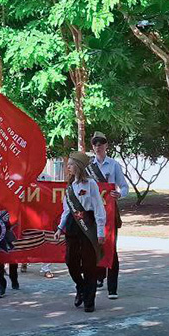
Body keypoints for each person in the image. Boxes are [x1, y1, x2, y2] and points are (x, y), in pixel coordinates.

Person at [55, 151, 107, 313]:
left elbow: (99, 207)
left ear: (78, 166)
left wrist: (100, 231)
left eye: (70, 164)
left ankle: (89, 300)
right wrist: (59, 228)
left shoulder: (90, 184)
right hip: (72, 226)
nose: (68, 167)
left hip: (88, 225)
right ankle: (81, 286)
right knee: (71, 261)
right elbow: (66, 210)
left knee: (89, 264)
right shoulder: (70, 186)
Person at [88, 132, 128, 299]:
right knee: (94, 246)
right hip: (92, 212)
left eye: (101, 143)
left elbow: (124, 187)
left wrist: (119, 194)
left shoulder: (114, 165)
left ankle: (113, 287)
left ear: (106, 146)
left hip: (110, 213)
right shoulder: (88, 166)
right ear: (92, 146)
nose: (98, 146)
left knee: (111, 248)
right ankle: (98, 276)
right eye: (95, 143)